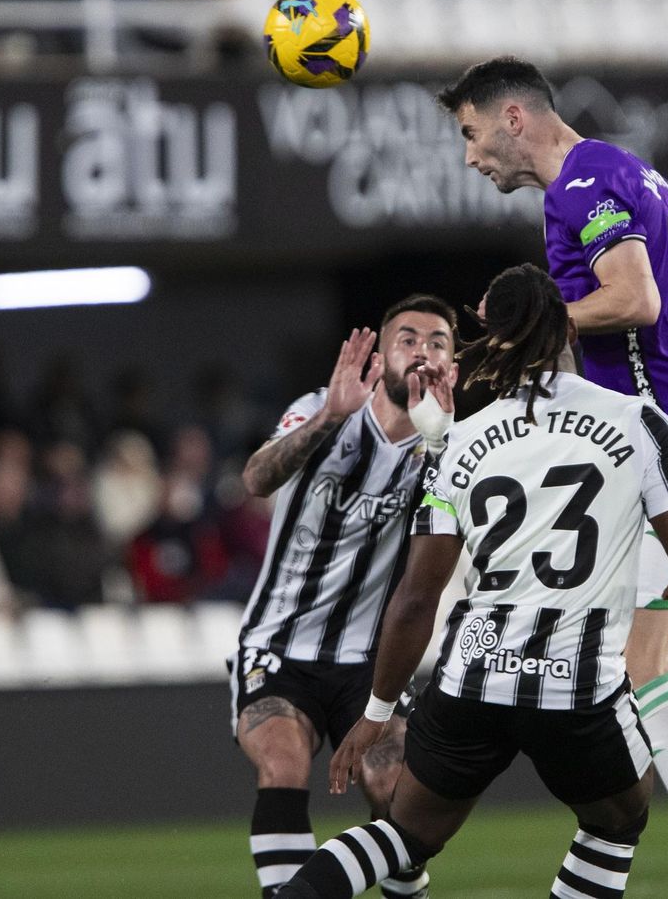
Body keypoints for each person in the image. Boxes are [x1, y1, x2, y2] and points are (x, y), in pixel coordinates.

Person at [435, 57, 668, 891]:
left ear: (514, 117)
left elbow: (635, 301)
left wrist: (524, 327)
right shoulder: (620, 170)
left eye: (470, 133)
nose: (470, 156)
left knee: (639, 657)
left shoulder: (580, 186)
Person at [276, 263, 668, 899]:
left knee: (405, 835)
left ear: (494, 337)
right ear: (568, 328)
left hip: (472, 679)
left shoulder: (459, 442)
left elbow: (415, 600)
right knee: (616, 820)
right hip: (575, 690)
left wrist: (376, 712)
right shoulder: (639, 422)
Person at [234, 294, 458, 899]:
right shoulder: (320, 410)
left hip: (367, 659)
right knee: (283, 764)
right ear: (381, 353)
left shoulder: (452, 451)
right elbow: (255, 480)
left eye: (437, 341)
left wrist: (444, 443)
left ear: (452, 363)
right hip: (279, 645)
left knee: (397, 795)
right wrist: (331, 416)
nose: (421, 349)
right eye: (407, 338)